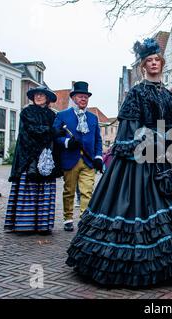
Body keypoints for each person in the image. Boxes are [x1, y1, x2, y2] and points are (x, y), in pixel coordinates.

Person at [65, 38, 172, 287]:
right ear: (143, 66)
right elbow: (129, 127)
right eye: (149, 60)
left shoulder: (169, 96)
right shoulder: (137, 92)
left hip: (167, 159)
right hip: (140, 160)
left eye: (157, 60)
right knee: (136, 208)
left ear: (162, 63)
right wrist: (150, 140)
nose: (154, 63)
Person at [4, 86, 63, 233]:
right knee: (28, 187)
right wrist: (51, 132)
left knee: (44, 189)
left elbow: (56, 135)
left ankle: (43, 225)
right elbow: (30, 131)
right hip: (28, 155)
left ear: (47, 98)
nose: (38, 96)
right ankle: (25, 225)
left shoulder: (52, 115)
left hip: (46, 157)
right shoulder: (27, 112)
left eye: (42, 94)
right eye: (36, 94)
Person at [53, 81, 104, 232]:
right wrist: (67, 142)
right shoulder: (62, 115)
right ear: (74, 98)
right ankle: (68, 218)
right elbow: (55, 136)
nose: (84, 99)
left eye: (86, 97)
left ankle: (84, 219)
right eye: (81, 96)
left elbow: (98, 140)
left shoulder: (93, 118)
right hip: (70, 158)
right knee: (69, 190)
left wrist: (99, 157)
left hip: (88, 160)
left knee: (87, 190)